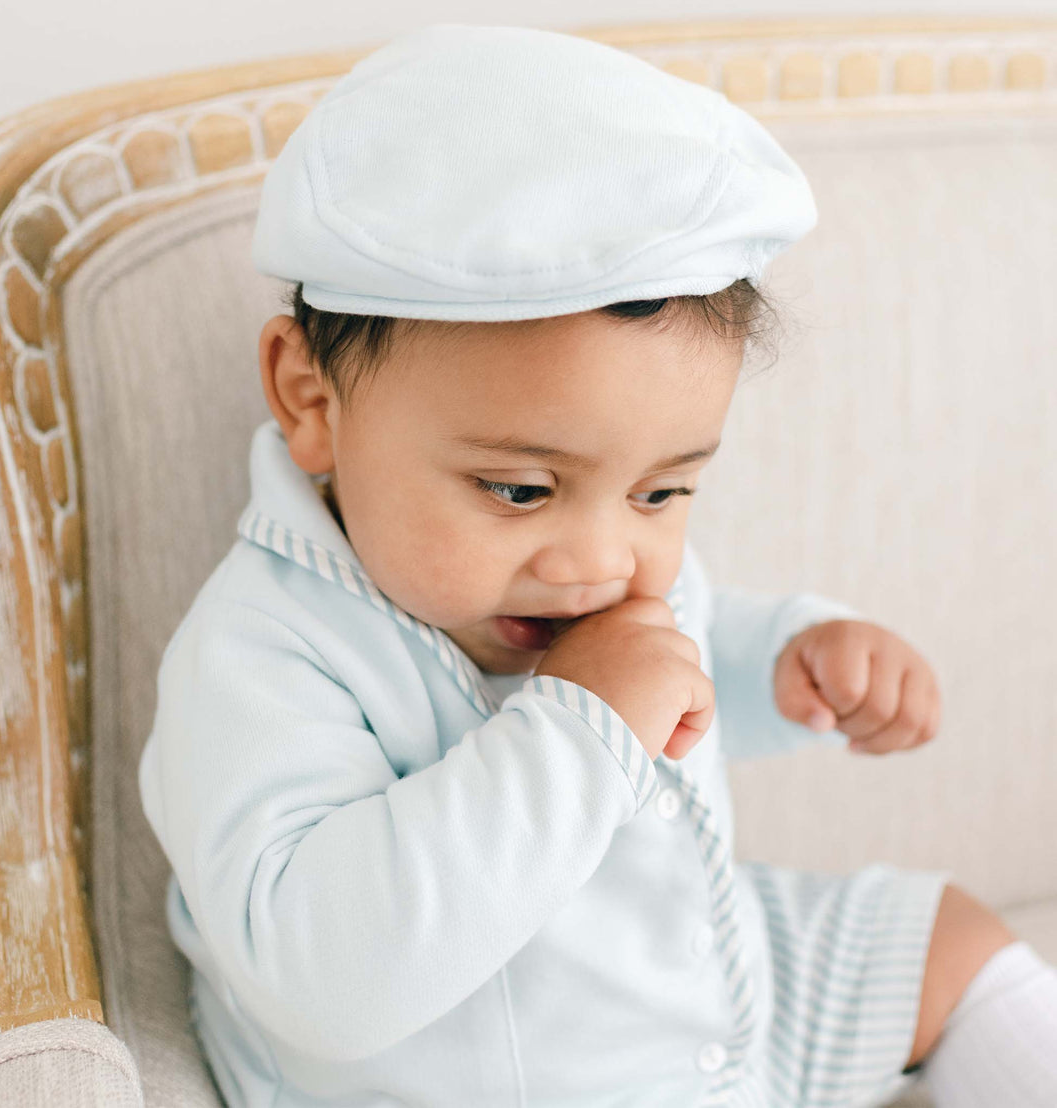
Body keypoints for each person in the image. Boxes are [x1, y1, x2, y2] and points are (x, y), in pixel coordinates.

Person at [138, 22, 1057, 1108]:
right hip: (491, 1078)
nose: (601, 557)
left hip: (696, 986)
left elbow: (673, 660)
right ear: (310, 400)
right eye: (519, 490)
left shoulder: (582, 570)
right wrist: (580, 722)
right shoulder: (263, 658)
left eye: (662, 491)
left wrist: (786, 661)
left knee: (944, 940)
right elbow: (326, 978)